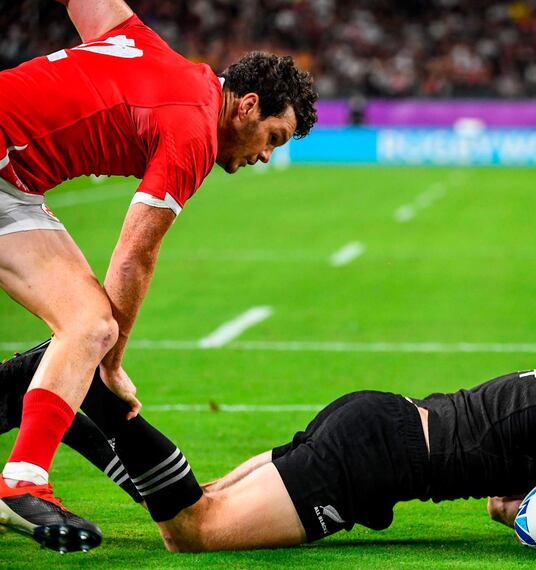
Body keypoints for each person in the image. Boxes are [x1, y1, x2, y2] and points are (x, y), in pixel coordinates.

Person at [0, 0, 318, 550]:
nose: (267, 155)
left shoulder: (150, 46)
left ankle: (23, 478)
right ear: (245, 105)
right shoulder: (194, 133)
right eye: (274, 137)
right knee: (95, 331)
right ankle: (23, 481)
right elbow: (133, 254)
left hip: (15, 186)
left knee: (89, 327)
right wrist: (113, 368)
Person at [0, 342, 536, 556]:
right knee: (189, 530)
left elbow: (514, 505)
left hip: (379, 425)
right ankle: (89, 396)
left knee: (180, 511)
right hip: (374, 457)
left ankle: (69, 413)